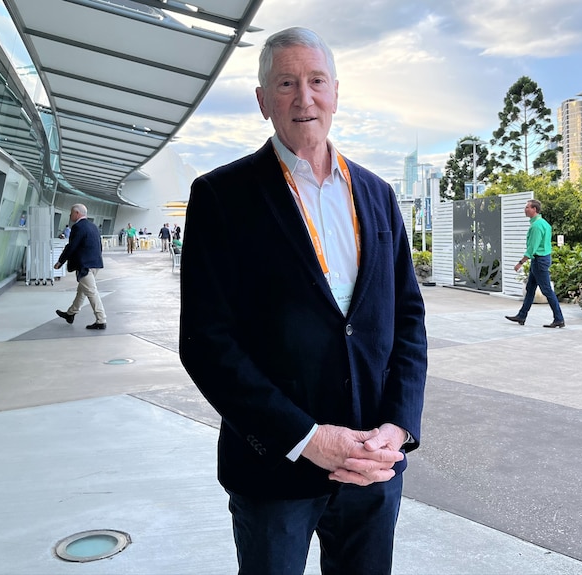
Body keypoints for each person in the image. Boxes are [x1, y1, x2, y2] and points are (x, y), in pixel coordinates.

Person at [179, 27, 427, 575]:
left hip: (371, 466)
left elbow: (407, 319)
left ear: (336, 91)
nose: (303, 97)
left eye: (316, 81)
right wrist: (306, 438)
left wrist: (398, 428)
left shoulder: (378, 195)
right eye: (286, 83)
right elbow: (206, 344)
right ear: (263, 100)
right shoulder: (221, 196)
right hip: (273, 471)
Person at [505, 199, 565, 328]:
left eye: (527, 207)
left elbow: (532, 248)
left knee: (547, 290)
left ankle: (559, 318)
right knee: (530, 288)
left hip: (539, 261)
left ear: (534, 209)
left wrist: (520, 263)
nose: (525, 209)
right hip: (542, 259)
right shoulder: (544, 223)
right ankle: (522, 316)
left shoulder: (536, 226)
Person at [54, 204, 107, 330]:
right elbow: (99, 246)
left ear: (77, 213)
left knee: (91, 292)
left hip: (84, 265)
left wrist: (60, 261)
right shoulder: (93, 226)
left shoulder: (78, 227)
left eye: (71, 213)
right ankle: (70, 314)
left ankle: (101, 319)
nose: (70, 215)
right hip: (95, 264)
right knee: (82, 291)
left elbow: (72, 246)